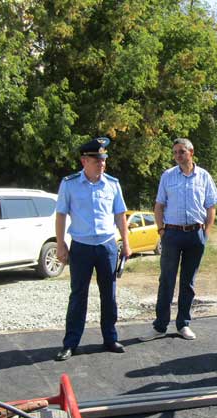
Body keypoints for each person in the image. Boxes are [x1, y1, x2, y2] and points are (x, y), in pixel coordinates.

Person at [55, 137, 130, 362]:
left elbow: (120, 215)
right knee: (78, 295)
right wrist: (60, 244)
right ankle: (70, 343)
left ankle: (110, 338)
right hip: (81, 246)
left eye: (104, 159)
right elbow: (60, 214)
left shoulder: (112, 184)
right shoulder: (69, 184)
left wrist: (126, 243)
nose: (102, 163)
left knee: (109, 295)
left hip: (106, 245)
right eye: (97, 159)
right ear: (84, 161)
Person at [140, 138, 217, 342]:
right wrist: (161, 231)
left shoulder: (203, 176)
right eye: (175, 152)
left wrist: (206, 233)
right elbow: (159, 205)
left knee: (188, 282)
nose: (178, 156)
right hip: (172, 235)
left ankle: (183, 324)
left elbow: (211, 207)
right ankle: (159, 326)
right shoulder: (167, 176)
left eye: (182, 152)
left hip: (195, 235)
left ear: (191, 153)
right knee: (166, 280)